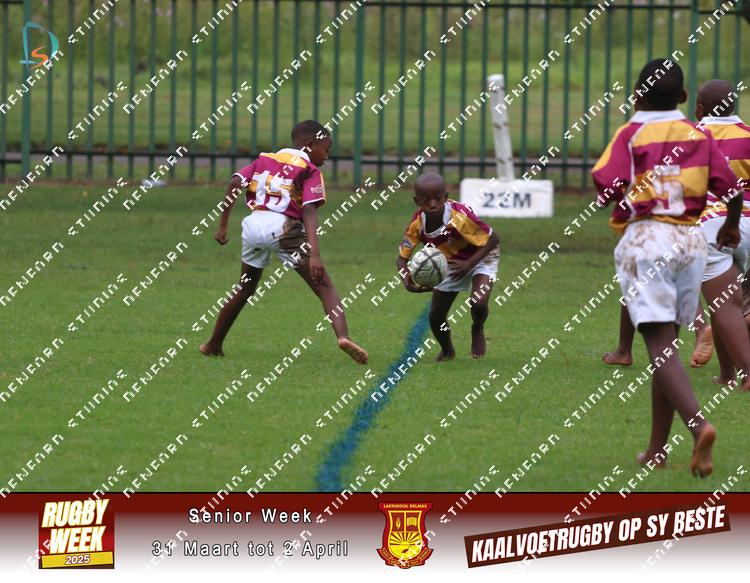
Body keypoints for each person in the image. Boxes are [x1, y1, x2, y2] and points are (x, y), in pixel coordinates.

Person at [592, 59, 743, 477]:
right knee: (668, 348)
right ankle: (656, 450)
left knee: (659, 346)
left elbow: (605, 183)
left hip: (648, 240)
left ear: (637, 96)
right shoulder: (698, 133)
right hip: (692, 241)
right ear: (682, 97)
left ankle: (698, 426)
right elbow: (730, 188)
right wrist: (730, 226)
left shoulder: (630, 133)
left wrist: (631, 195)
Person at [200, 120, 368, 364]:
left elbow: (235, 183)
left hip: (253, 225)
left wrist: (223, 225)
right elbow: (309, 210)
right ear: (311, 144)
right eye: (326, 149)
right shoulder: (309, 169)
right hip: (283, 228)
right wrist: (315, 254)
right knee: (325, 286)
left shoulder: (264, 159)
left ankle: (213, 344)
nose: (327, 156)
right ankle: (343, 337)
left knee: (245, 288)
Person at [397, 172, 500, 360]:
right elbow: (402, 259)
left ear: (445, 197)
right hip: (450, 263)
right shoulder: (417, 224)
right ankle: (447, 350)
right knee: (436, 317)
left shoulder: (459, 216)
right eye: (426, 200)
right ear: (416, 201)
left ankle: (477, 328)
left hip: (483, 255)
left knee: (478, 303)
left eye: (438, 198)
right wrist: (406, 280)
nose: (433, 204)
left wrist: (469, 264)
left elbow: (493, 238)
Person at [687, 79, 750, 384]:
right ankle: (726, 375)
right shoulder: (748, 135)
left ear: (699, 109)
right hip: (747, 224)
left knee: (720, 299)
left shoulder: (690, 137)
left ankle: (740, 369)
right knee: (728, 300)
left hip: (712, 225)